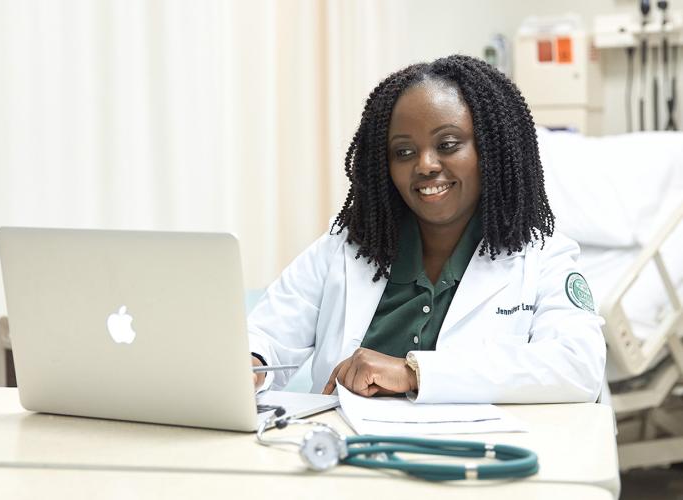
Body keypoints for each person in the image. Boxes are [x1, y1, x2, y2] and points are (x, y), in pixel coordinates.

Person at [248, 55, 606, 403]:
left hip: (473, 454)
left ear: (491, 149)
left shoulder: (542, 257)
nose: (425, 165)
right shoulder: (347, 247)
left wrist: (415, 372)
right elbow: (264, 334)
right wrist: (251, 364)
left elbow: (578, 366)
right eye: (403, 152)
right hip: (343, 452)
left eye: (448, 145)